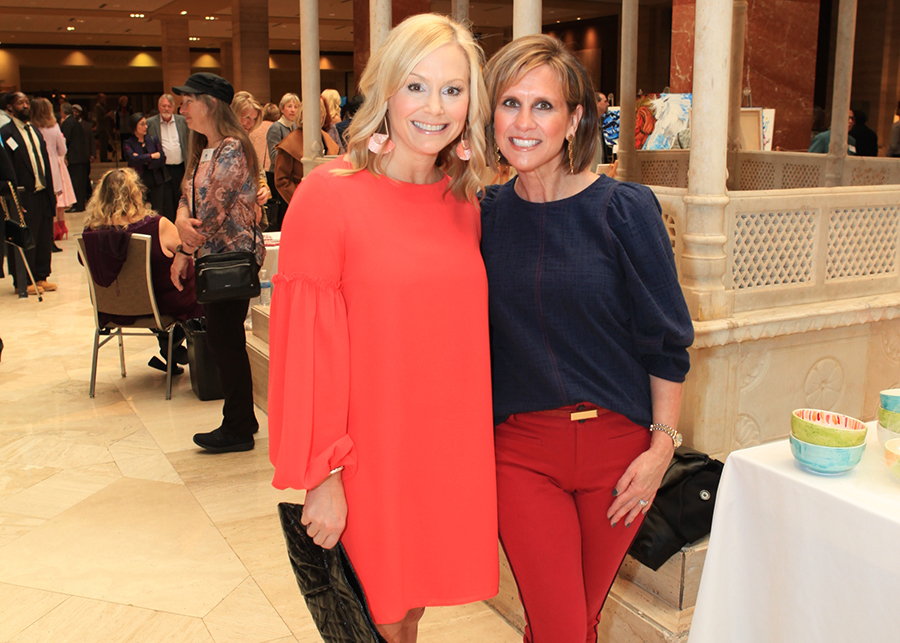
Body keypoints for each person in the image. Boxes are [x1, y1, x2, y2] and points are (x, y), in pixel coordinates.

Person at [267, 14, 496, 643]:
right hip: (367, 457)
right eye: (416, 86)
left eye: (453, 90)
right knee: (378, 620)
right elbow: (307, 350)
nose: (434, 107)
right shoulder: (330, 194)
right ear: (385, 91)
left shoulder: (463, 202)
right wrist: (322, 478)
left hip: (442, 450)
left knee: (410, 612)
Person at [480, 35, 694, 643]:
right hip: (520, 452)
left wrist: (660, 450)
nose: (524, 123)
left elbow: (665, 340)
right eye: (510, 103)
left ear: (575, 119)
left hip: (619, 455)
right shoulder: (483, 215)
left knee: (579, 622)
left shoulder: (624, 209)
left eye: (543, 106)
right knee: (562, 628)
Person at [170, 72, 265, 453]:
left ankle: (238, 427)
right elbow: (187, 195)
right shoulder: (203, 148)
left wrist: (183, 250)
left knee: (225, 341)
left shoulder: (232, 147)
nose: (182, 109)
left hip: (231, 259)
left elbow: (212, 208)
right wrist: (180, 219)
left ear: (210, 103)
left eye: (188, 101)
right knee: (224, 340)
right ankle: (242, 419)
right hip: (211, 256)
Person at [81, 168, 202, 373]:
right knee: (195, 280)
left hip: (111, 309)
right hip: (158, 307)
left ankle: (169, 347)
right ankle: (176, 345)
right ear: (136, 194)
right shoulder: (156, 226)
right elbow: (187, 252)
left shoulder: (90, 233)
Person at [1, 92, 58, 294]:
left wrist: (51, 192)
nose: (25, 105)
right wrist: (14, 199)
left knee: (43, 236)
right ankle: (23, 280)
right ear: (10, 107)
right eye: (20, 103)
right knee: (25, 237)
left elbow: (44, 162)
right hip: (23, 195)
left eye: (26, 102)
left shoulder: (34, 130)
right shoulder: (6, 133)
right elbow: (7, 169)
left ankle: (41, 276)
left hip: (42, 192)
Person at [273, 97, 339, 204]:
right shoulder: (289, 143)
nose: (314, 119)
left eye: (319, 115)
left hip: (328, 200)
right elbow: (282, 180)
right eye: (310, 115)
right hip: (302, 200)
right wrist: (301, 200)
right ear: (301, 116)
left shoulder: (328, 140)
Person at [31, 97, 76, 245]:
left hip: (36, 165)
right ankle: (58, 226)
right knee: (56, 199)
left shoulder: (30, 127)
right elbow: (62, 149)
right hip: (53, 164)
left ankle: (46, 230)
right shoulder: (53, 126)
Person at [230, 91, 272, 227]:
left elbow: (257, 170)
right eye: (247, 117)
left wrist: (263, 188)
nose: (250, 123)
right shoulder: (225, 140)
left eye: (253, 119)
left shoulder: (246, 139)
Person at [146, 94, 189, 221]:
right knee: (165, 202)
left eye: (169, 106)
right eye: (163, 105)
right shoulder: (150, 123)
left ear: (174, 107)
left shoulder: (183, 121)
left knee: (180, 199)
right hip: (162, 169)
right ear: (159, 107)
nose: (166, 108)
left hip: (181, 168)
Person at [264, 93, 299, 231]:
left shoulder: (295, 127)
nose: (293, 110)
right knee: (279, 217)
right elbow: (274, 156)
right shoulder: (276, 128)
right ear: (282, 108)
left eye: (295, 106)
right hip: (277, 176)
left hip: (290, 176)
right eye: (289, 106)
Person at [125, 112, 170, 216]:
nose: (145, 127)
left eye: (146, 124)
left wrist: (143, 159)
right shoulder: (129, 143)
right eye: (142, 124)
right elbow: (133, 160)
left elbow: (162, 158)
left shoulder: (153, 140)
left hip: (156, 179)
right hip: (138, 180)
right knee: (138, 209)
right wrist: (152, 156)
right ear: (134, 126)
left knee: (158, 210)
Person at [63, 104, 95, 212]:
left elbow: (66, 139)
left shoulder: (68, 122)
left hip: (75, 157)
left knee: (76, 183)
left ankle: (78, 205)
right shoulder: (76, 122)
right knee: (80, 182)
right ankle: (79, 204)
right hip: (81, 156)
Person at [93, 93, 114, 162]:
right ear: (99, 98)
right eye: (103, 98)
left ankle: (105, 157)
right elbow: (99, 118)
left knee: (105, 143)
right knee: (103, 144)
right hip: (102, 128)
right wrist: (108, 115)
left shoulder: (103, 106)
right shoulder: (98, 106)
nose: (105, 99)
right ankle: (103, 158)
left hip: (105, 127)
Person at [114, 95, 133, 162]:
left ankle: (129, 156)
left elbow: (131, 118)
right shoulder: (118, 110)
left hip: (128, 128)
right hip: (122, 128)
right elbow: (117, 119)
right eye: (124, 101)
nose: (125, 102)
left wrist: (132, 128)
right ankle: (123, 156)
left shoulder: (129, 109)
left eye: (126, 101)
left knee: (129, 143)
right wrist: (117, 129)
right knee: (123, 143)